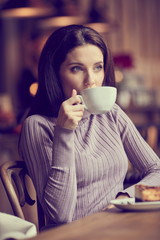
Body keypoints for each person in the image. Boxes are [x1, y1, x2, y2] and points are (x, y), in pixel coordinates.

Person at [19, 24, 160, 228]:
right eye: (76, 68)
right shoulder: (37, 126)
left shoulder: (112, 114)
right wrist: (64, 133)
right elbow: (60, 215)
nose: (91, 81)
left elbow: (156, 169)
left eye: (98, 67)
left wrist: (123, 198)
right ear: (55, 73)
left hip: (118, 227)